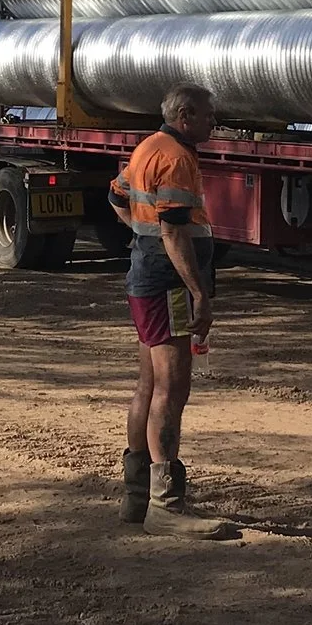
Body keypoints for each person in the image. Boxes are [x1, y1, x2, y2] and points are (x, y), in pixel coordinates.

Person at [111, 84, 221, 526]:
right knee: (171, 391)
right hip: (168, 283)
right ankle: (166, 506)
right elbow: (175, 233)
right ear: (186, 115)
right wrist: (199, 292)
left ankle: (137, 497)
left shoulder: (148, 148)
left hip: (146, 276)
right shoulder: (174, 157)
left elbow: (117, 196)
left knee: (147, 386)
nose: (215, 122)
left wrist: (140, 234)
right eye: (210, 115)